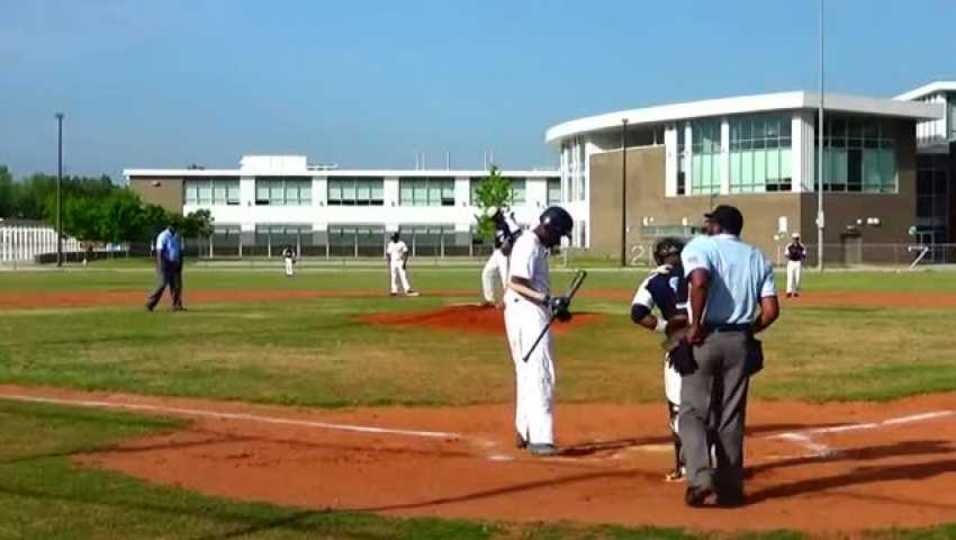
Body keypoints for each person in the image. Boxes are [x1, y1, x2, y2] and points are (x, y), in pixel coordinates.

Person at [680, 205, 779, 507]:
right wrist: (749, 331)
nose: (706, 226)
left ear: (717, 226)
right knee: (731, 415)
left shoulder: (702, 246)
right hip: (740, 340)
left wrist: (695, 326)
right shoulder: (757, 256)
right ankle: (731, 487)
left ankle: (700, 479)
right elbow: (771, 311)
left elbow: (699, 281)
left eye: (710, 222)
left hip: (706, 336)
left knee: (693, 412)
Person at [504, 206, 573, 456]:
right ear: (550, 228)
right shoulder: (529, 244)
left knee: (527, 372)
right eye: (559, 234)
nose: (559, 240)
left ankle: (525, 430)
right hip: (526, 312)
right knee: (540, 372)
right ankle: (541, 438)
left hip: (526, 311)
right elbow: (515, 283)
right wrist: (547, 300)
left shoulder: (533, 245)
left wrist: (553, 306)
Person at [630, 237, 692, 482]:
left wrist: (665, 326)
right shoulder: (698, 271)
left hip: (677, 345)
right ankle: (716, 463)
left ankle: (684, 467)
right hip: (706, 342)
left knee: (677, 407)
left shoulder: (654, 280)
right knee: (710, 404)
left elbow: (637, 313)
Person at [481, 207, 520, 307]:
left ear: (498, 215)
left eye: (494, 218)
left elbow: (517, 233)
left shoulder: (507, 220)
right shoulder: (498, 223)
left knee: (506, 278)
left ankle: (508, 301)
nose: (493, 220)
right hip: (497, 252)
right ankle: (490, 300)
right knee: (487, 273)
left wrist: (509, 242)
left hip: (506, 253)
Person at [146, 224, 185, 312]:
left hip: (175, 263)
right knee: (162, 284)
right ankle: (150, 304)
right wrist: (161, 265)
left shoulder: (178, 236)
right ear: (169, 226)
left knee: (177, 285)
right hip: (165, 263)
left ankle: (177, 305)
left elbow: (181, 251)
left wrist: (180, 264)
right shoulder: (163, 236)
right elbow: (159, 252)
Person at [386, 232, 419, 296]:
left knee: (403, 276)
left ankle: (407, 290)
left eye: (394, 237)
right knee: (393, 276)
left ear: (397, 237)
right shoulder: (390, 244)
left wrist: (404, 263)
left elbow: (406, 253)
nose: (393, 239)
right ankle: (394, 291)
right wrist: (389, 262)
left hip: (400, 261)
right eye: (392, 238)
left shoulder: (402, 243)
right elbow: (388, 253)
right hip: (393, 262)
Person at [785, 233, 806, 298]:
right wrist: (791, 255)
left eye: (796, 238)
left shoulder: (802, 246)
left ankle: (796, 292)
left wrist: (801, 257)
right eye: (794, 238)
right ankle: (789, 292)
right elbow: (786, 254)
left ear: (798, 239)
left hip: (798, 263)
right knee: (790, 278)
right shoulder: (789, 246)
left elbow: (804, 255)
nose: (795, 240)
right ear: (792, 239)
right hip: (791, 263)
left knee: (797, 278)